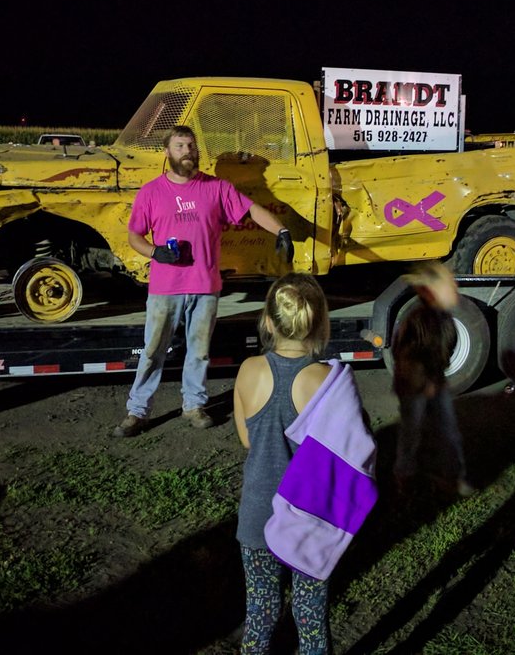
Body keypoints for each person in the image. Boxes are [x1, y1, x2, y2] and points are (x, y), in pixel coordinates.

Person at [114, 125, 293, 436]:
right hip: (165, 288)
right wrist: (155, 252)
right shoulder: (151, 192)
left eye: (192, 146)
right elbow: (134, 235)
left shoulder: (216, 188)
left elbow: (252, 210)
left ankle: (193, 405)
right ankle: (137, 411)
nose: (188, 152)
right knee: (154, 349)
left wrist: (281, 230)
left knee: (199, 351)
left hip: (205, 286)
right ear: (167, 152)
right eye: (180, 146)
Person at [233, 272, 376, 654]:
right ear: (321, 324)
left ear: (267, 322)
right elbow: (355, 449)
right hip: (310, 518)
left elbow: (248, 439)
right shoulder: (329, 382)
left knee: (260, 614)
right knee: (311, 616)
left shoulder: (248, 371)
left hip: (256, 516)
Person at [392, 261, 474, 497]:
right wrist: (424, 383)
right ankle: (404, 477)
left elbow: (442, 350)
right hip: (416, 385)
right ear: (429, 291)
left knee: (447, 430)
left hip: (433, 382)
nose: (455, 288)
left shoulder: (442, 317)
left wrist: (436, 378)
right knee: (411, 431)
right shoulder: (419, 319)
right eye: (449, 285)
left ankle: (451, 477)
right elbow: (406, 356)